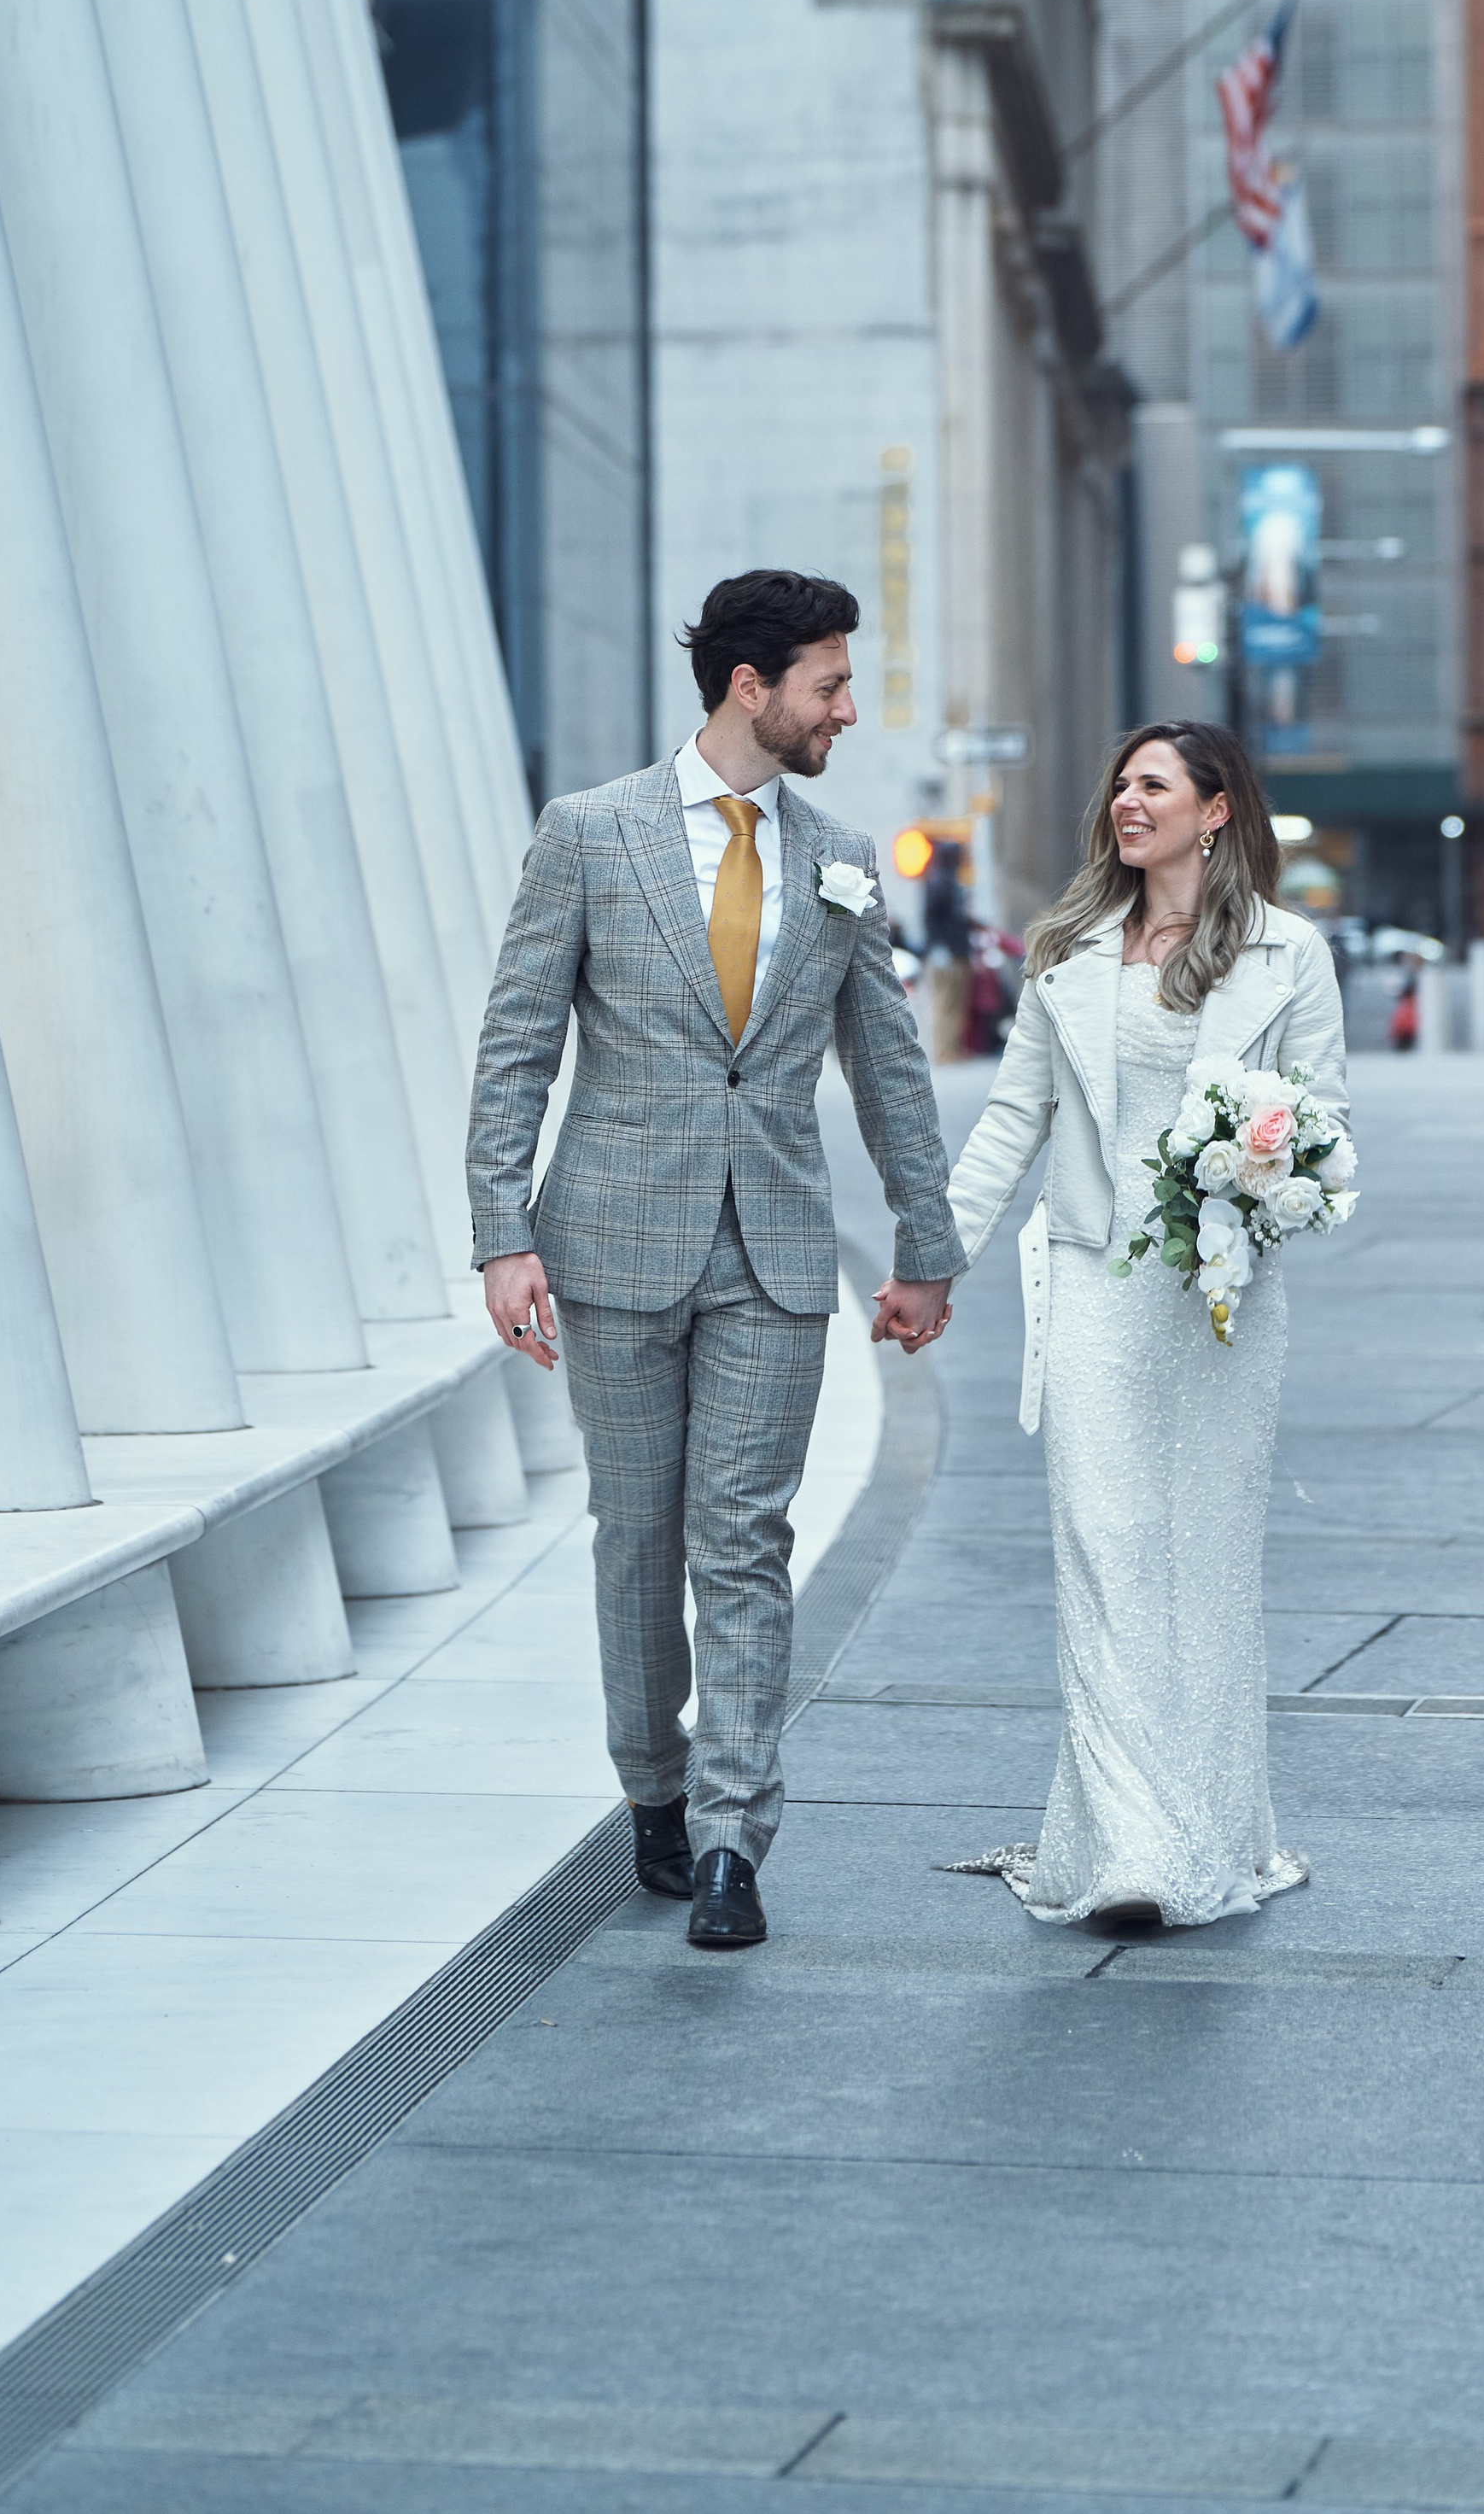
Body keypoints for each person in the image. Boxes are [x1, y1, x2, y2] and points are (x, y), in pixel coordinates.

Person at [466, 570, 961, 1953]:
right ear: (754, 686)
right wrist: (501, 1231)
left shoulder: (843, 854)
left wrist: (925, 1244)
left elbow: (888, 1064)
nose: (846, 710)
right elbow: (518, 1044)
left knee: (744, 1539)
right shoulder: (588, 835)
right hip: (612, 1237)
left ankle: (738, 1832)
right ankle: (656, 1789)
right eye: (829, 685)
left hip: (778, 1248)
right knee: (637, 1538)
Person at [940, 720, 1348, 1930]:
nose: (1128, 798)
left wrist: (1260, 1169)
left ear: (1216, 808)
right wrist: (933, 1260)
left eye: (1154, 783)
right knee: (1105, 1550)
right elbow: (1013, 1120)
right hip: (1092, 1290)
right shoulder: (1067, 949)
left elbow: (1324, 1122)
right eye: (1119, 781)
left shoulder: (1290, 953)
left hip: (1218, 1302)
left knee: (1204, 1568)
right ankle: (1131, 1847)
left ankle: (1207, 1832)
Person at [920, 839, 973, 1062]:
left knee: (956, 1002)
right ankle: (944, 1049)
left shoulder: (952, 882)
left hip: (959, 951)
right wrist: (939, 948)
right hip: (946, 953)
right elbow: (931, 921)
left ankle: (953, 1046)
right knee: (945, 1001)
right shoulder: (938, 883)